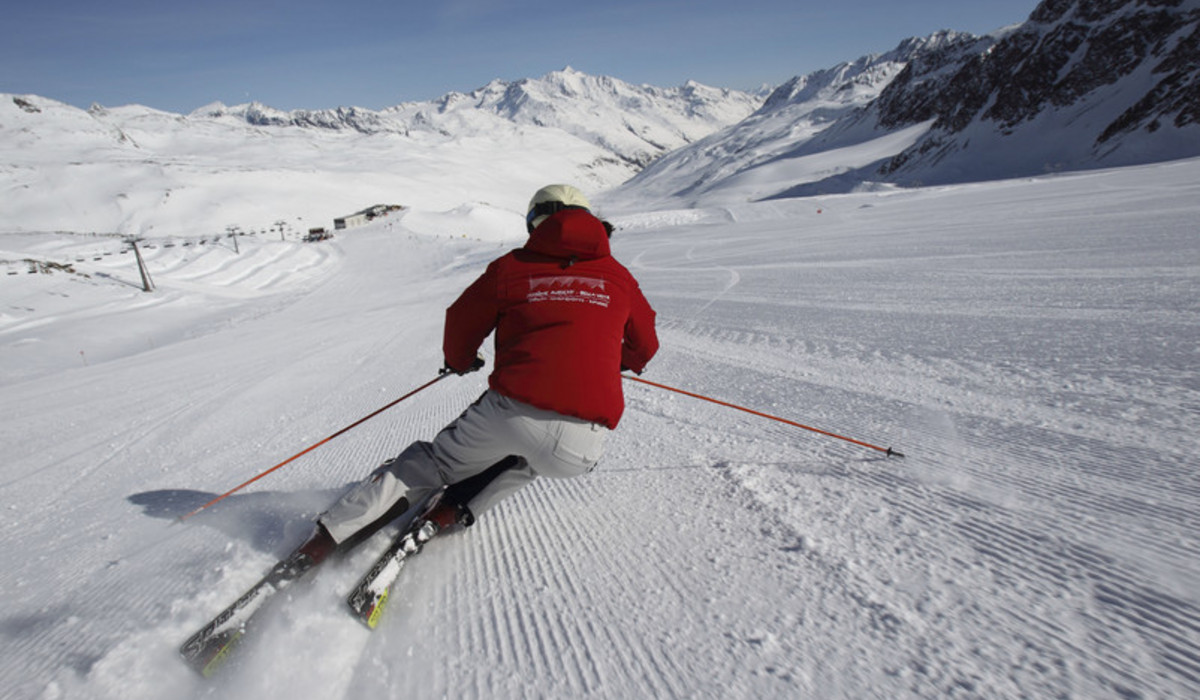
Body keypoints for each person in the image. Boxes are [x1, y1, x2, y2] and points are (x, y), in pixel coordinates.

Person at [292, 184, 659, 565]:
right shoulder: (618, 276)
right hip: (582, 447)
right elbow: (645, 346)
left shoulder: (513, 266)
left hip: (511, 411)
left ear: (536, 223)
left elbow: (462, 320)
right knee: (523, 460)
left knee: (434, 463)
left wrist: (461, 360)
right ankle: (445, 514)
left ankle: (322, 543)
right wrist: (617, 361)